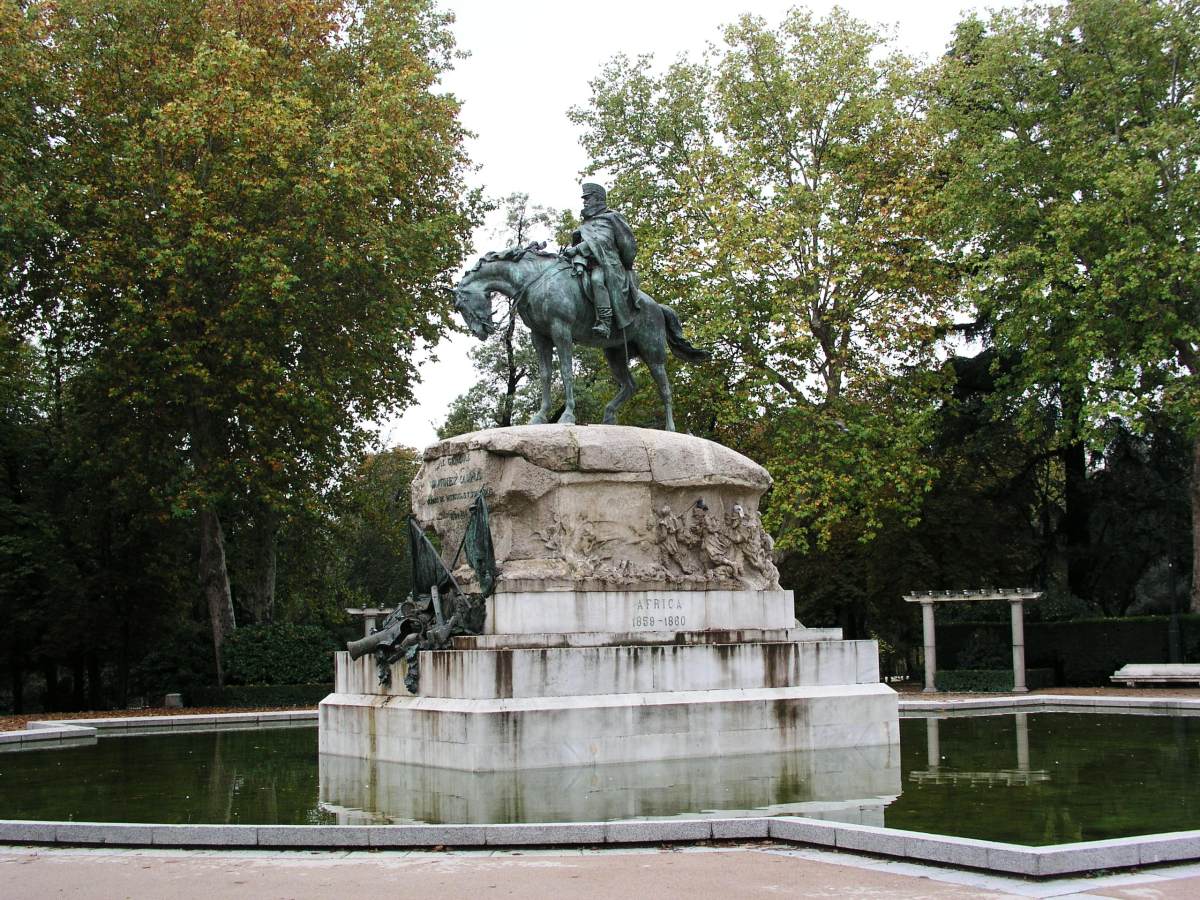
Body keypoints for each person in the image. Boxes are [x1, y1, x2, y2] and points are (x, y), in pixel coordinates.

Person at [560, 182, 639, 338]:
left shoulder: (611, 217)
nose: (585, 201)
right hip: (584, 264)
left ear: (597, 198)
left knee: (597, 280)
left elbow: (605, 241)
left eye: (588, 198)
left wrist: (578, 248)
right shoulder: (586, 223)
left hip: (607, 265)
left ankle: (605, 322)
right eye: (584, 199)